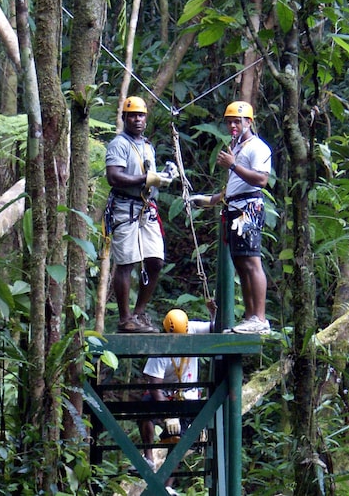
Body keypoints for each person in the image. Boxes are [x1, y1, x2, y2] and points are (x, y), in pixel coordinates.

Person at [189, 100, 272, 334]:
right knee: (240, 262)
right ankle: (250, 317)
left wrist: (233, 165)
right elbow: (234, 185)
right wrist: (210, 200)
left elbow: (261, 180)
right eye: (229, 122)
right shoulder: (237, 147)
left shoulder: (258, 147)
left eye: (238, 121)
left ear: (249, 122)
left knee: (251, 260)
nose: (233, 126)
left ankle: (260, 317)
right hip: (235, 207)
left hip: (249, 208)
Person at [105, 96, 178, 333]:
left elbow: (150, 177)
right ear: (125, 118)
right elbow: (114, 177)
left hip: (147, 208)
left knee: (155, 261)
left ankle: (139, 313)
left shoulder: (147, 146)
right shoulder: (119, 144)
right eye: (132, 115)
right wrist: (145, 179)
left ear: (146, 118)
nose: (137, 119)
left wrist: (165, 177)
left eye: (141, 115)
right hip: (125, 207)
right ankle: (126, 318)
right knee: (127, 262)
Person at [138, 309, 213, 493]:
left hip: (187, 395)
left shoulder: (193, 330)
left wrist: (212, 314)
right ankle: (148, 457)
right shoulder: (161, 349)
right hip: (165, 394)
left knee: (178, 439)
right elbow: (155, 386)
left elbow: (215, 327)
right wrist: (168, 415)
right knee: (144, 413)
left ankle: (167, 486)